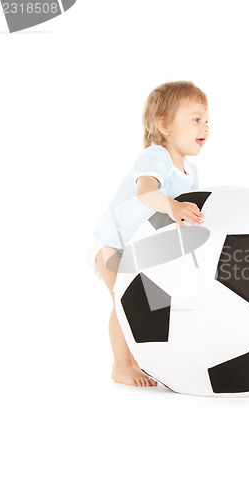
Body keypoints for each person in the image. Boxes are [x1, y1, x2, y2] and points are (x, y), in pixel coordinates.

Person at [89, 81, 209, 387]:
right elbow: (146, 193)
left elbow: (183, 212)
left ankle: (143, 357)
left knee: (152, 305)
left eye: (207, 121)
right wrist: (173, 206)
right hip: (113, 243)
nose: (205, 127)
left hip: (143, 250)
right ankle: (121, 365)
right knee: (125, 303)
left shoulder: (190, 171)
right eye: (196, 119)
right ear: (164, 125)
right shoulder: (156, 156)